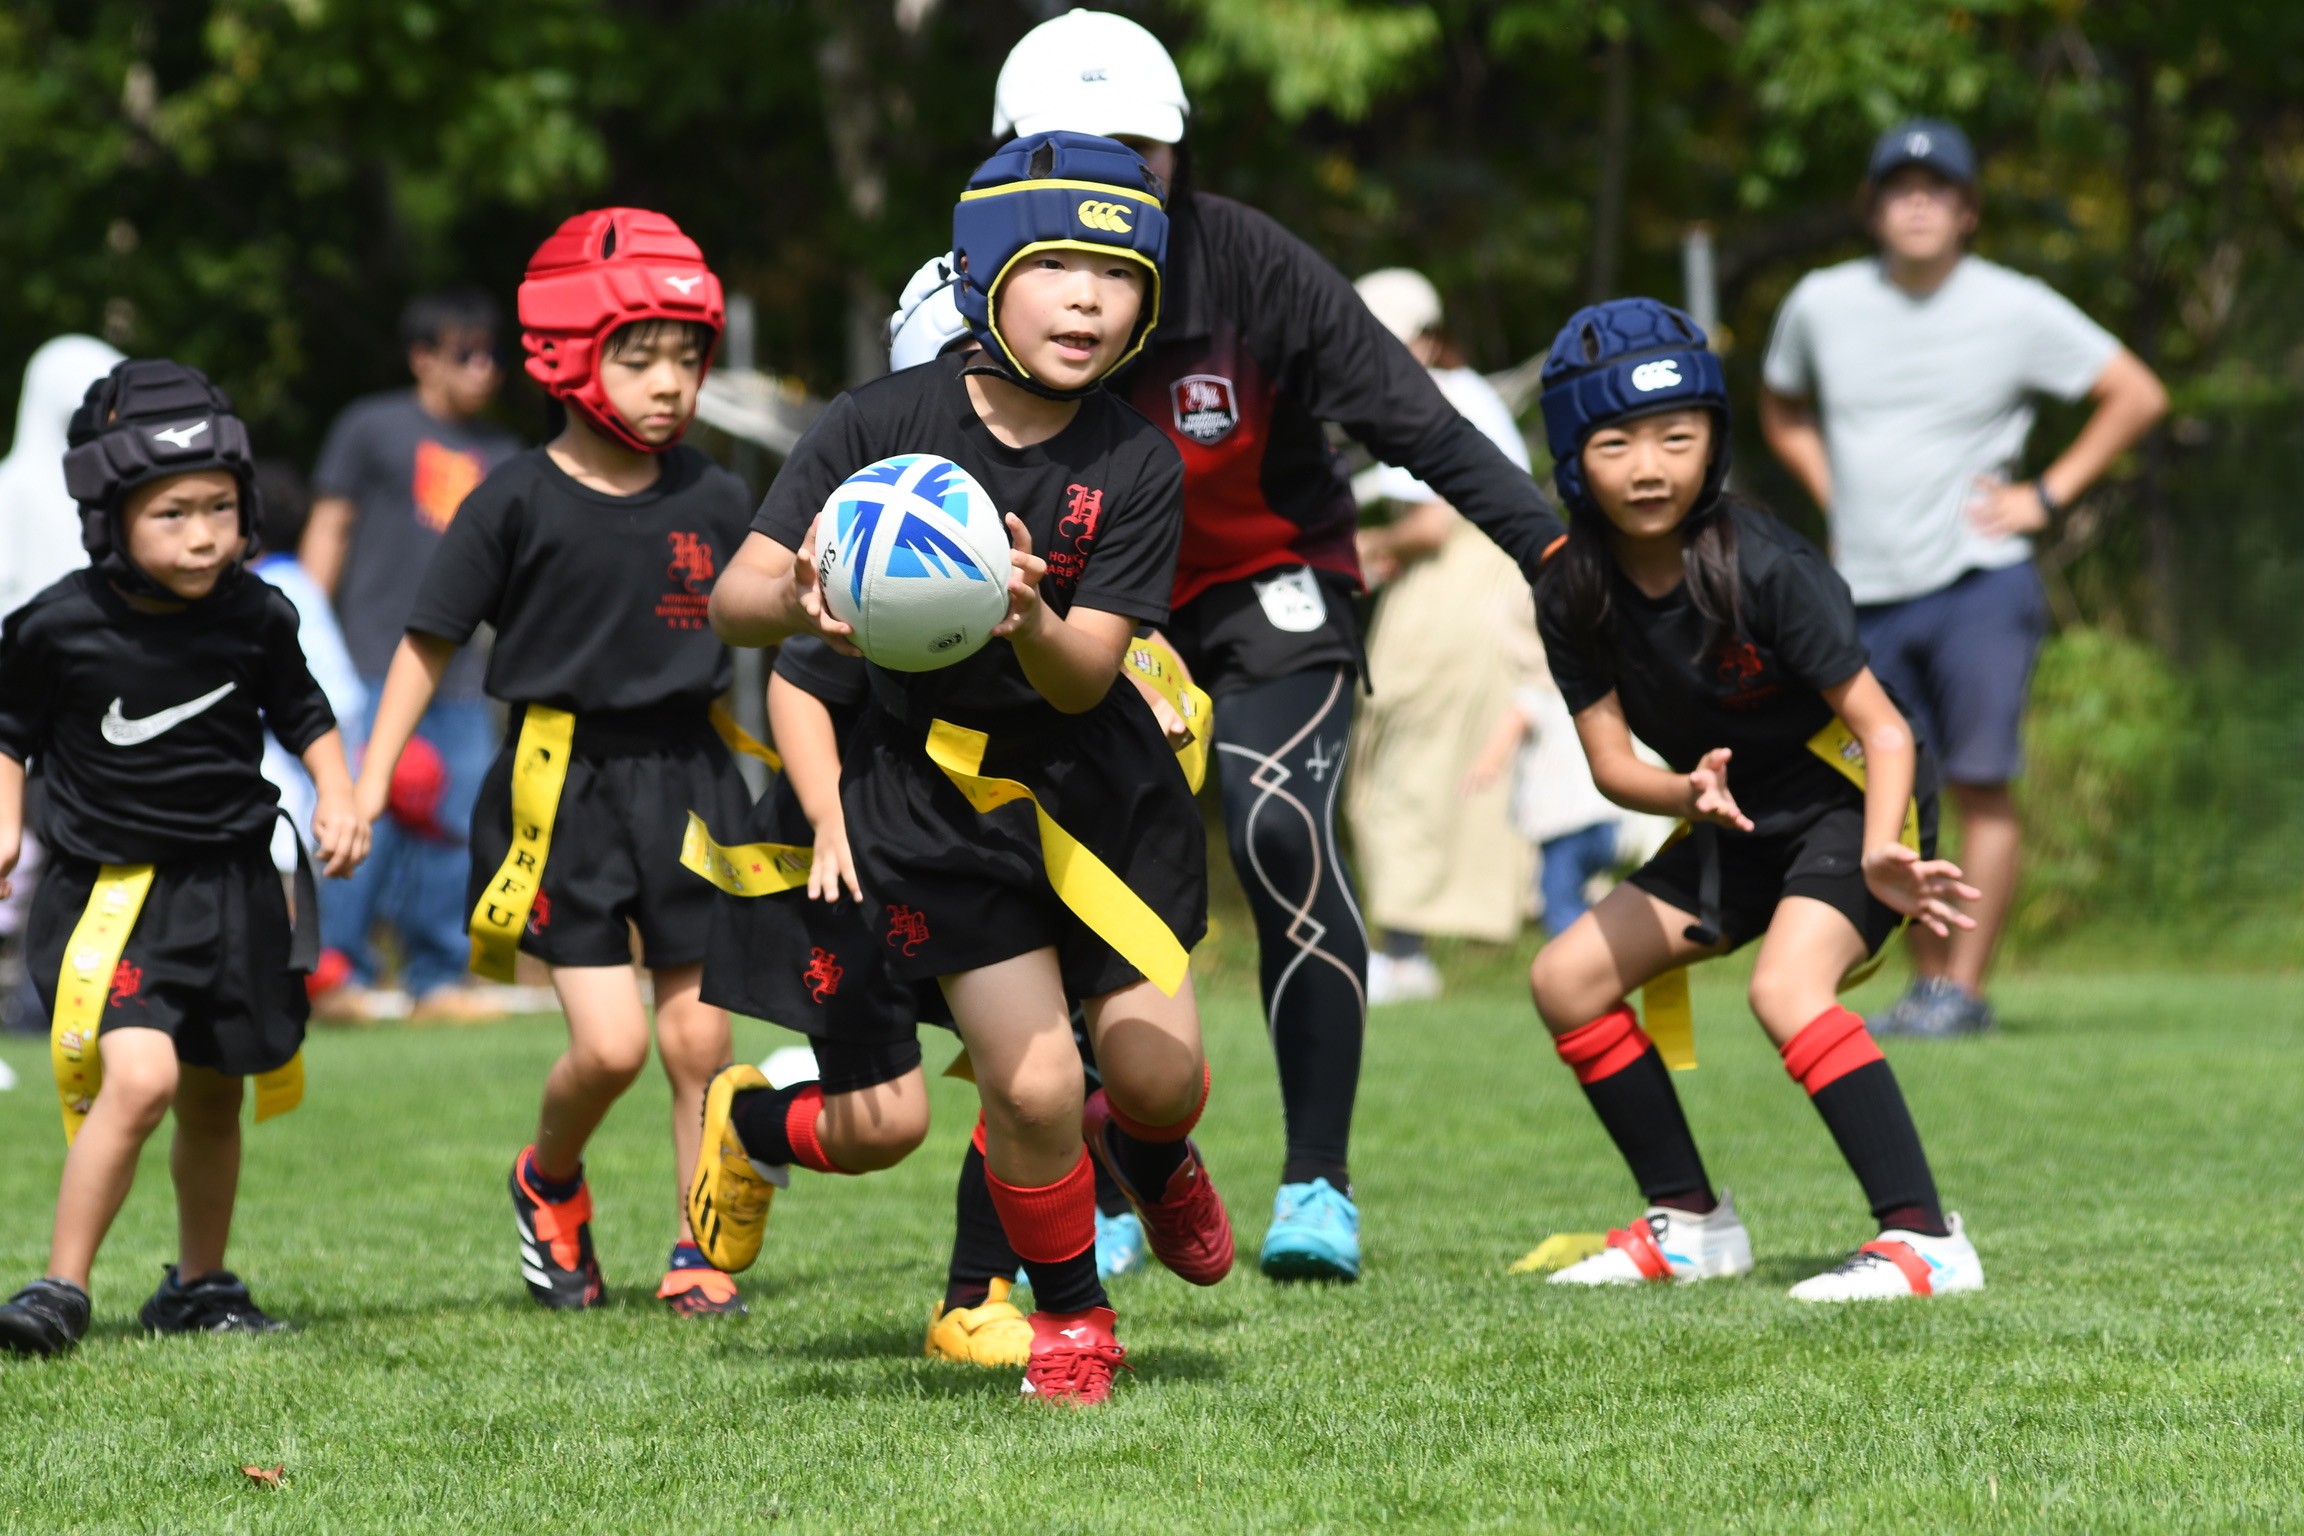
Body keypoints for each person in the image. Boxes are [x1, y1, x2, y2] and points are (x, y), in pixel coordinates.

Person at [982, 10, 1567, 1281]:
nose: (1122, 176)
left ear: (1181, 151)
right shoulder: (970, 298)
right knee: (1070, 878)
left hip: (1267, 581)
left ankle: (1317, 1185)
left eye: (1143, 148)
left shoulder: (1249, 263)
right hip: (1088, 615)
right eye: (1083, 147)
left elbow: (1417, 421)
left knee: (1281, 828)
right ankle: (1107, 1190)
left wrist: (1555, 552)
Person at [702, 132, 1228, 1404]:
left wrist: (1028, 614)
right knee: (1034, 1085)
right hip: (936, 803)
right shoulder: (877, 422)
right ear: (986, 274)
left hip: (1097, 791)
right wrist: (805, 594)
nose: (1089, 301)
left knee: (1157, 1076)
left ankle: (1154, 1153)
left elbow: (1085, 676)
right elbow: (733, 601)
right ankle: (1072, 1321)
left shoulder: (1135, 461)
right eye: (1056, 268)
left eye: (1119, 277)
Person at [1524, 297, 1985, 1300]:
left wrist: (1882, 850)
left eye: (1676, 438)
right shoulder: (1571, 591)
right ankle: (1692, 1225)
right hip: (1730, 813)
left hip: (1848, 800)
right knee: (1566, 978)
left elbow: (1885, 729)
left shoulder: (1764, 565)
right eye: (1616, 443)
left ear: (1714, 441)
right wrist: (1685, 795)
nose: (1650, 468)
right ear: (1573, 457)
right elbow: (1610, 764)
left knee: (1786, 989)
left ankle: (1925, 1240)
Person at [352, 210, 756, 1316]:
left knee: (700, 1037)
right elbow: (426, 644)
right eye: (640, 357)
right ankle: (549, 1178)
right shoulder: (511, 499)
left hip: (692, 778)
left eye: (687, 357)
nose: (670, 383)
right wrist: (368, 783)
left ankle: (700, 1247)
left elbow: (789, 613)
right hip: (559, 784)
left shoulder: (719, 497)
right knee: (613, 1047)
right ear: (568, 357)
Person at [1759, 119, 2168, 1037]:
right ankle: (1926, 986)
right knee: (1895, 790)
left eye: (1936, 189)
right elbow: (1781, 408)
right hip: (1863, 590)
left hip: (1979, 581)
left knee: (1980, 780)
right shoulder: (1820, 304)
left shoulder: (2015, 306)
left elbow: (2137, 393)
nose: (1917, 204)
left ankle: (1962, 991)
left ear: (1968, 210)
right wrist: (1833, 491)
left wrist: (2045, 496)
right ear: (1871, 207)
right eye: (1899, 189)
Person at [0, 360, 368, 1355]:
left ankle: (198, 1287)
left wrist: (339, 794)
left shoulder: (258, 615)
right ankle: (59, 1289)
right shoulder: (57, 625)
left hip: (236, 888)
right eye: (172, 513)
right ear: (110, 518)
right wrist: (5, 822)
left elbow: (305, 713)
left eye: (219, 508)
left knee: (213, 1093)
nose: (203, 535)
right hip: (112, 898)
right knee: (141, 1078)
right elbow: (8, 730)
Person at [303, 289, 522, 1022]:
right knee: (362, 815)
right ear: (422, 357)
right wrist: (303, 633)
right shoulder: (371, 427)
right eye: (465, 353)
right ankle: (336, 975)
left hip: (462, 675)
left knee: (455, 822)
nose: (484, 367)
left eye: (493, 354)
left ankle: (438, 979)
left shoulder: (504, 453)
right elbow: (330, 526)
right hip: (369, 659)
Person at [1346, 267, 1538, 1004]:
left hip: (1451, 600)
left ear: (1423, 340)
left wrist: (1356, 548)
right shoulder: (1465, 391)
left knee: (1405, 764)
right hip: (1476, 595)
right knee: (1416, 764)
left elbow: (1429, 526)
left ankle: (1403, 954)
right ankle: (1404, 947)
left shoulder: (1432, 398)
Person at [0, 335, 127, 1035]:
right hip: (22, 711)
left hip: (92, 712)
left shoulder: (108, 495)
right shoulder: (14, 490)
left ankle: (58, 998)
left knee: (79, 859)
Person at [248, 463, 366, 877]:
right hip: (316, 790)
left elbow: (319, 701)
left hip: (288, 786)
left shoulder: (265, 595)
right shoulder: (301, 584)